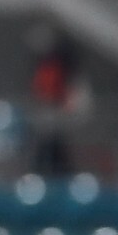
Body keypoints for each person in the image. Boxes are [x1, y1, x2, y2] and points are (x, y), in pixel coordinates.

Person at [25, 26, 86, 178]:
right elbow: (40, 90)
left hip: (56, 110)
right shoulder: (44, 67)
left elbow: (59, 91)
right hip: (47, 110)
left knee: (53, 147)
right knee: (48, 146)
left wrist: (60, 105)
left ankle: (57, 174)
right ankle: (43, 173)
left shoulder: (57, 67)